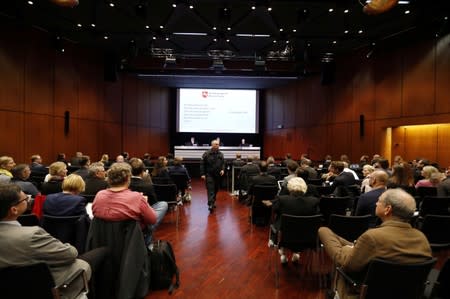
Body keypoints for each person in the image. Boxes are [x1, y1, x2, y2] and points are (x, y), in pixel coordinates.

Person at [319, 188, 432, 299]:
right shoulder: (422, 238)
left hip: (364, 293)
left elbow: (347, 265)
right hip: (405, 294)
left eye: (379, 201)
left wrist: (346, 248)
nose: (376, 203)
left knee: (324, 231)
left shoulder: (372, 237)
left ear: (387, 209)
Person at [0, 184, 92, 288]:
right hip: (41, 287)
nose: (29, 200)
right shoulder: (32, 235)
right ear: (14, 210)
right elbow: (70, 254)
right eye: (26, 199)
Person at [93, 162, 157, 244]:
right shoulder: (137, 197)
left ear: (108, 179)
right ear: (128, 179)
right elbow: (152, 220)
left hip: (104, 240)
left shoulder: (99, 195)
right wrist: (144, 202)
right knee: (161, 207)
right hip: (131, 241)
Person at [264, 177, 320, 264]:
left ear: (289, 187)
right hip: (307, 237)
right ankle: (296, 253)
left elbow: (275, 211)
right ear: (305, 187)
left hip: (284, 236)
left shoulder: (282, 199)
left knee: (281, 221)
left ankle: (283, 254)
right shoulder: (314, 201)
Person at [129, 157, 168, 232]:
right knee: (163, 204)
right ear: (142, 172)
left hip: (130, 213)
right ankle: (147, 229)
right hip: (144, 212)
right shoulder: (148, 186)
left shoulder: (126, 185)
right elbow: (154, 202)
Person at [200, 139, 225, 213]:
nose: (218, 145)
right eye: (216, 144)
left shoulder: (221, 154)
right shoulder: (206, 154)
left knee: (216, 189)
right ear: (212, 145)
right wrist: (202, 174)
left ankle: (212, 202)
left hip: (218, 175)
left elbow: (223, 163)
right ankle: (210, 204)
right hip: (209, 175)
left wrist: (223, 169)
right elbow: (202, 164)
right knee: (211, 189)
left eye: (218, 144)